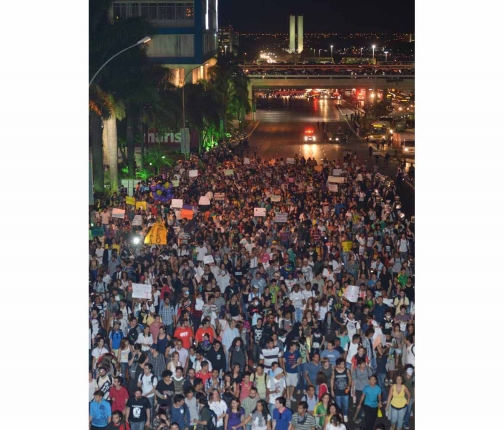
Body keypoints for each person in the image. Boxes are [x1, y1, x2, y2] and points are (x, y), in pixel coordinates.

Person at [331, 358, 351, 423]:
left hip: (345, 391)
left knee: (346, 405)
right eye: (342, 364)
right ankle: (339, 416)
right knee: (338, 405)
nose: (344, 365)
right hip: (337, 391)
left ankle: (345, 415)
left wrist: (349, 386)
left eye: (344, 363)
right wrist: (332, 390)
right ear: (338, 365)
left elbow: (350, 378)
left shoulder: (347, 370)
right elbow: (332, 380)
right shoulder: (334, 371)